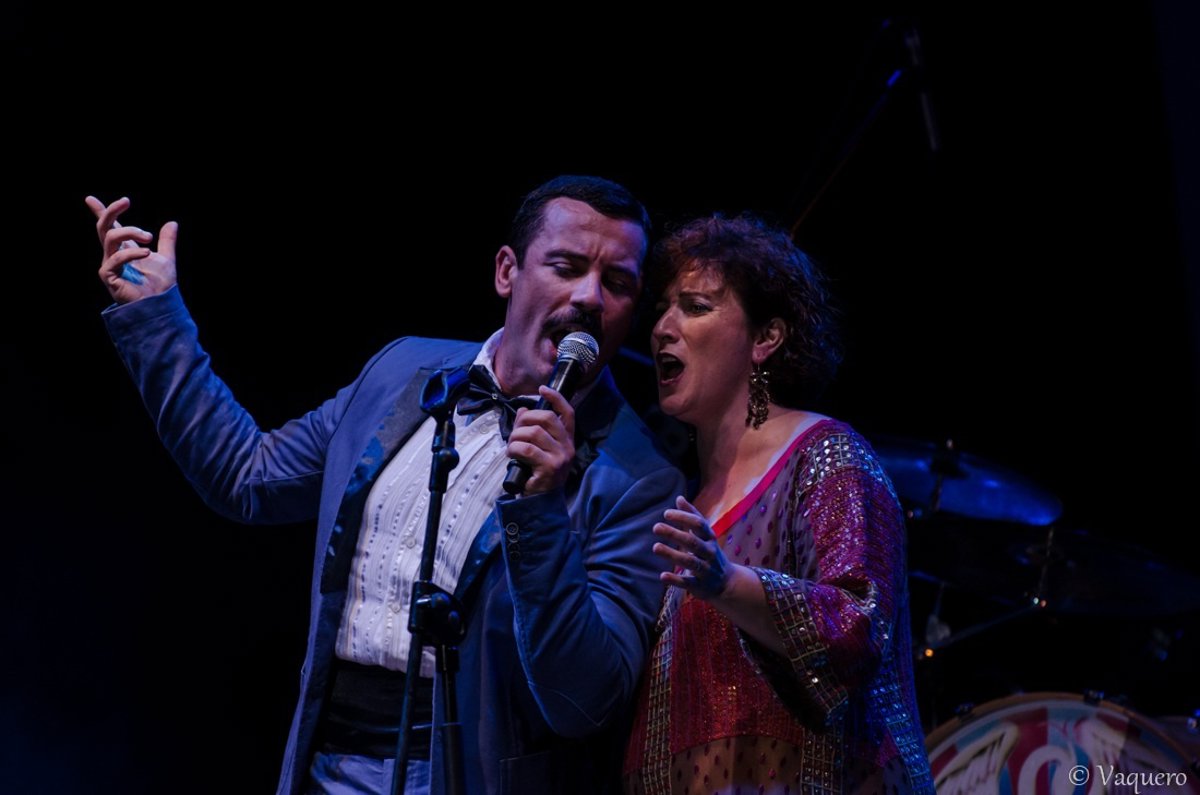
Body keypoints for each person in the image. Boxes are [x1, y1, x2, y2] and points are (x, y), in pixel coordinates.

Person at [87, 175, 686, 795]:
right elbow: (248, 477)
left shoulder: (639, 482)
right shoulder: (403, 372)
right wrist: (156, 318)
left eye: (618, 283)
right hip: (325, 761)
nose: (589, 297)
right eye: (567, 267)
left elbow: (586, 701)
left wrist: (539, 512)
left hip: (464, 775)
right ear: (507, 271)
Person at [622, 215, 935, 794]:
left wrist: (727, 582)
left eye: (695, 307)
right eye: (662, 310)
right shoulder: (680, 500)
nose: (663, 327)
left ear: (765, 338)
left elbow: (859, 624)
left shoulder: (827, 455)